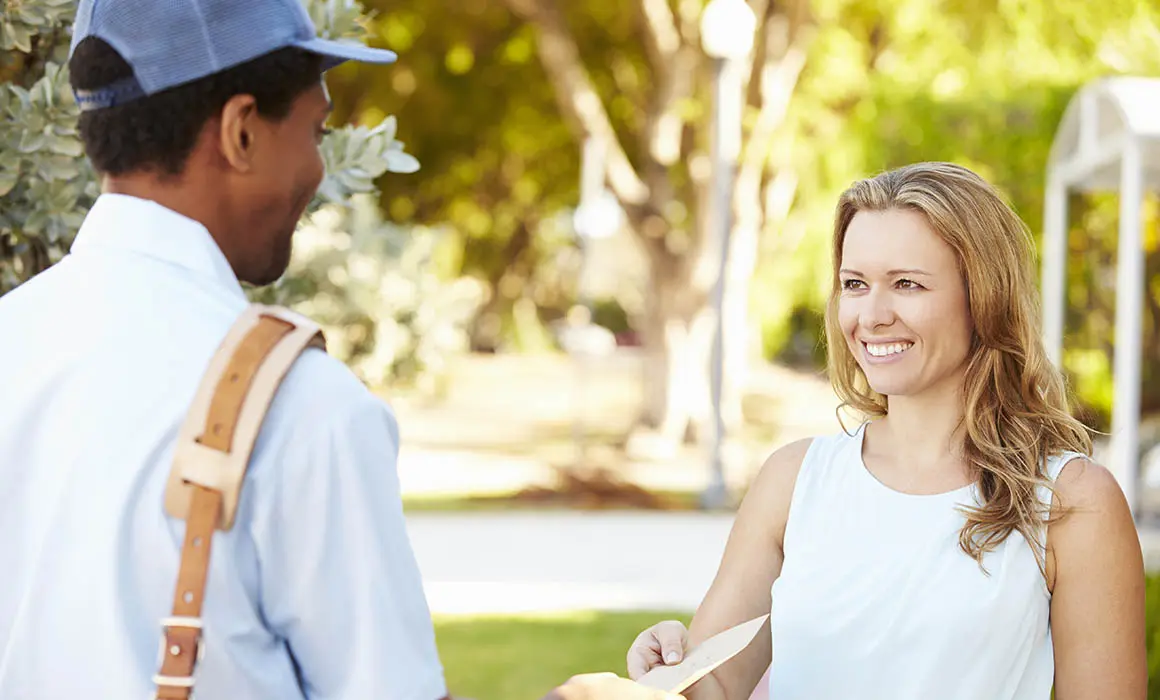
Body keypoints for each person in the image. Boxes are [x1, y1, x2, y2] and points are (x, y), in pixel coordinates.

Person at [0, 2, 676, 699]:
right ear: (240, 133)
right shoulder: (301, 407)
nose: (319, 171)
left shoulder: (12, 339)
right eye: (315, 132)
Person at [624, 162, 1147, 700]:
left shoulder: (1071, 502)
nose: (871, 315)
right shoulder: (794, 480)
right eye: (855, 284)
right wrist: (670, 664)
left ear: (985, 298)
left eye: (906, 284)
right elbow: (716, 686)